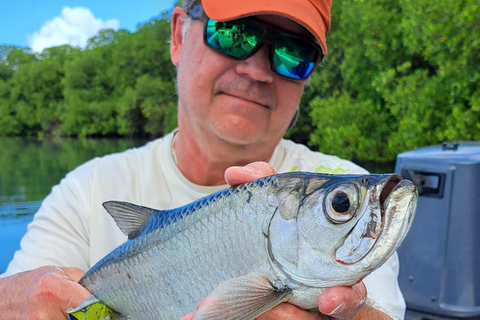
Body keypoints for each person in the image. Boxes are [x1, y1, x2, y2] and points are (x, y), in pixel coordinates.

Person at [0, 0, 406, 319]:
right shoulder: (83, 189)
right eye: (235, 34)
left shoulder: (350, 181)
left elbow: (383, 312)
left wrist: (354, 317)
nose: (258, 70)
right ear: (178, 36)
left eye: (292, 52)